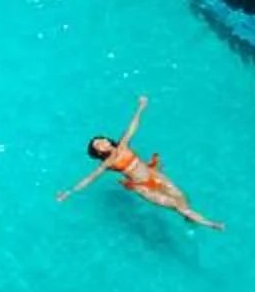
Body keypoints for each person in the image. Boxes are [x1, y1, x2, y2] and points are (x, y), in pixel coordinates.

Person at [58, 94, 224, 230]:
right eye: (98, 145)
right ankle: (210, 224)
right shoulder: (107, 163)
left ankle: (190, 219)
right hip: (142, 187)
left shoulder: (123, 144)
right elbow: (90, 178)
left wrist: (141, 107)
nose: (102, 142)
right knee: (176, 205)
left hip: (153, 174)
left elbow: (132, 127)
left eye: (101, 139)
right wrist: (69, 191)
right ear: (99, 152)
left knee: (181, 197)